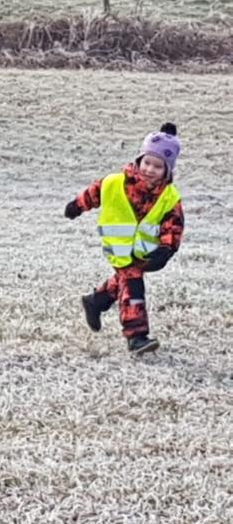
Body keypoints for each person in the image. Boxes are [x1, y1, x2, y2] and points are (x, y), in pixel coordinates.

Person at [65, 123, 185, 354]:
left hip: (144, 251)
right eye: (147, 162)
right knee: (133, 286)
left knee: (125, 279)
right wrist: (77, 206)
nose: (150, 169)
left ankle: (96, 301)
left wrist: (166, 250)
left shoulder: (170, 197)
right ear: (139, 160)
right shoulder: (115, 182)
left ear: (167, 170)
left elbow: (174, 224)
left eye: (158, 166)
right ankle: (136, 336)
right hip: (119, 247)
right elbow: (94, 192)